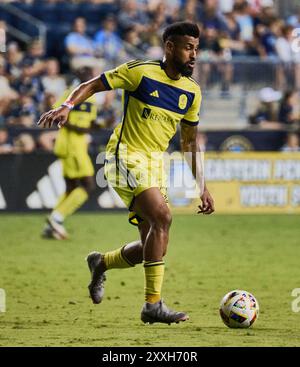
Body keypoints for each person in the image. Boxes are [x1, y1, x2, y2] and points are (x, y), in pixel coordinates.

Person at [38, 22, 215, 324]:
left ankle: (101, 262)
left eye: (196, 49)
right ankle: (153, 306)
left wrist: (202, 186)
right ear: (170, 47)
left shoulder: (192, 92)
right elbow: (93, 84)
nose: (193, 55)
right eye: (188, 47)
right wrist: (67, 105)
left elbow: (188, 142)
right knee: (163, 218)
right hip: (124, 156)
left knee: (154, 244)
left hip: (155, 164)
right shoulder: (140, 72)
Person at [42, 66, 99, 240]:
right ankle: (57, 218)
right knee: (88, 185)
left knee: (71, 187)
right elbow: (59, 115)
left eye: (90, 74)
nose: (91, 76)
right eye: (88, 74)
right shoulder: (71, 93)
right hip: (72, 146)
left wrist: (101, 124)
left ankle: (50, 226)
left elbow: (90, 122)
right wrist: (79, 128)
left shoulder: (89, 97)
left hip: (74, 145)